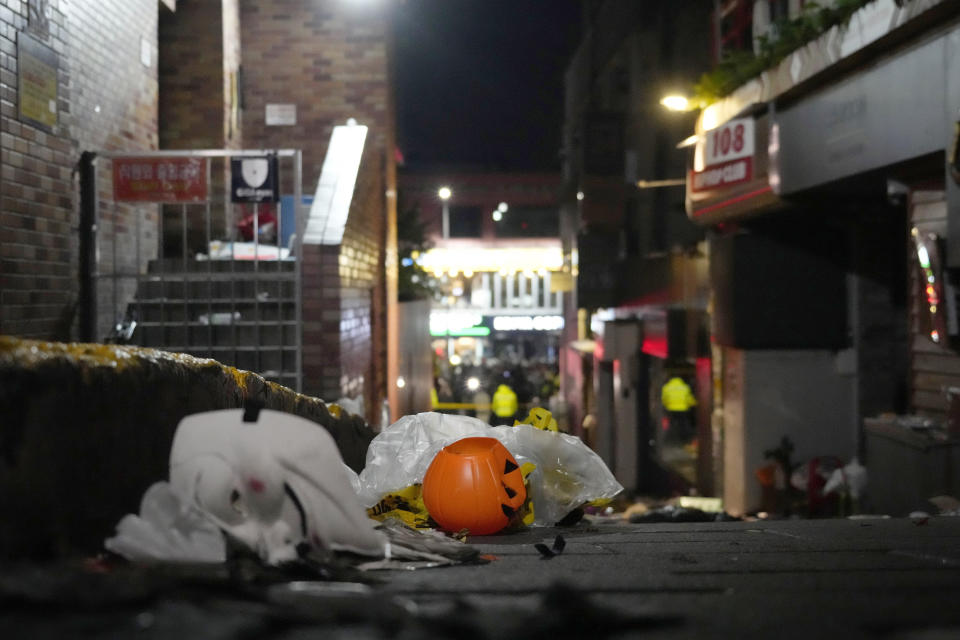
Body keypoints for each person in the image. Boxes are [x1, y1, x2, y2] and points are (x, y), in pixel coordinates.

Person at [661, 376, 697, 442]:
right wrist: (694, 403)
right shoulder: (685, 387)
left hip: (670, 409)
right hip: (682, 409)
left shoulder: (666, 387)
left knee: (671, 424)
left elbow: (663, 399)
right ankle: (684, 438)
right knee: (683, 424)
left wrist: (666, 405)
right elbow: (688, 399)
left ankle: (670, 439)